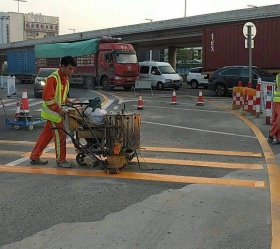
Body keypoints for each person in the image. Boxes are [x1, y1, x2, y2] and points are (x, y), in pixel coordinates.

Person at [30, 56, 77, 168]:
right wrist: (58, 109)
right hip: (53, 114)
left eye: (73, 69)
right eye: (70, 69)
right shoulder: (53, 78)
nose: (72, 71)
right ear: (63, 66)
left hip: (55, 113)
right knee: (61, 135)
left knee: (46, 136)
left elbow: (62, 97)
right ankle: (61, 160)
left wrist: (70, 102)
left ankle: (34, 156)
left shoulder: (65, 78)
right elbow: (47, 98)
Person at [268, 73, 280, 144]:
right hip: (277, 101)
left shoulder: (278, 76)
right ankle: (272, 134)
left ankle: (277, 137)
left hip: (276, 99)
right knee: (277, 120)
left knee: (276, 120)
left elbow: (276, 87)